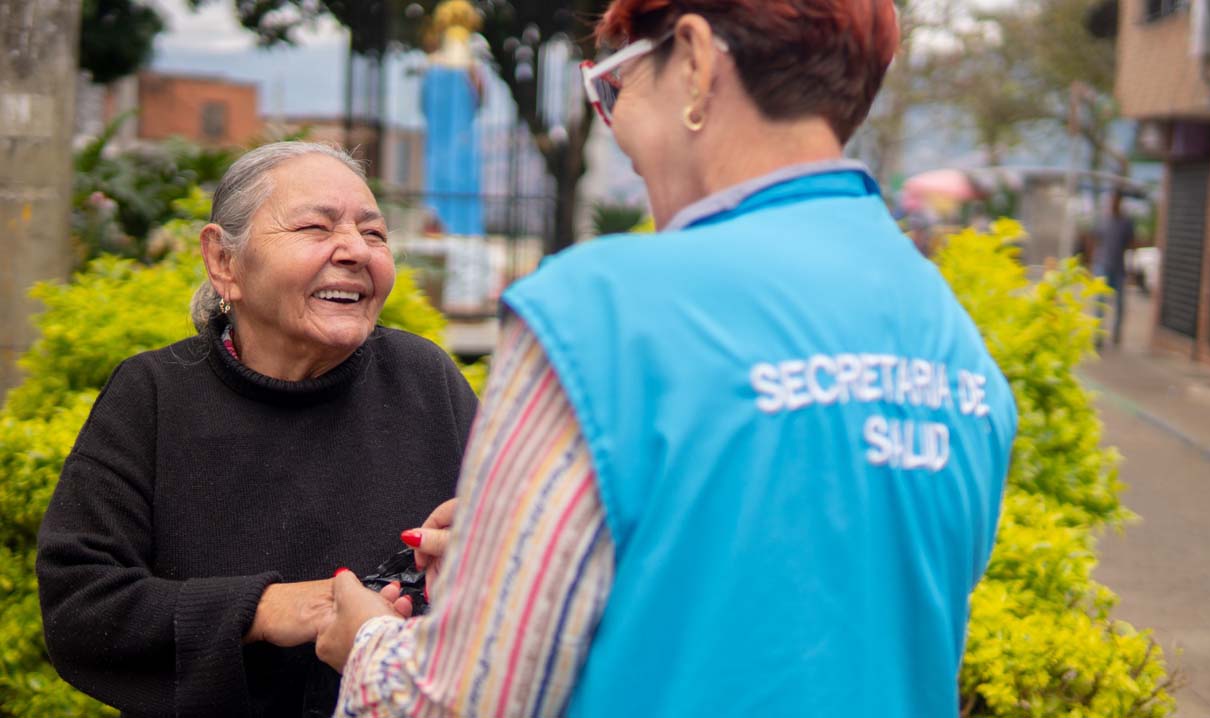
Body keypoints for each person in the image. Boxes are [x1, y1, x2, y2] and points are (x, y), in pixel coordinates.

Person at [319, 3, 1018, 717]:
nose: (617, 127)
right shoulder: (953, 342)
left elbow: (457, 704)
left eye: (617, 85)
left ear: (693, 59)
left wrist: (368, 640)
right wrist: (527, 530)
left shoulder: (601, 310)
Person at [36, 141, 478, 717]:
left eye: (374, 234)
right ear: (224, 261)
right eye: (316, 227)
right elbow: (80, 606)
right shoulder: (153, 395)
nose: (354, 251)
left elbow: (521, 579)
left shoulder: (427, 379)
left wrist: (472, 557)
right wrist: (264, 610)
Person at [1094, 190, 1136, 346]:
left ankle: (1116, 335)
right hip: (1102, 266)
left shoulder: (1125, 223)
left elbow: (1131, 245)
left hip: (1119, 268)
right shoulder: (1103, 220)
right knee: (1100, 302)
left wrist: (1131, 268)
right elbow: (1096, 241)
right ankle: (1098, 336)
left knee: (1119, 305)